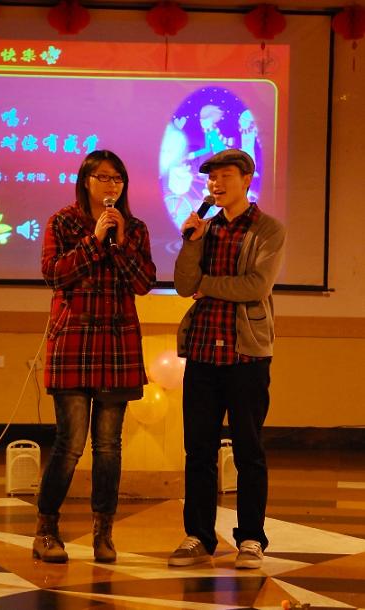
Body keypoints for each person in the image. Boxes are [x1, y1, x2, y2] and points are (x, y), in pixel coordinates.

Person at [33, 150, 156, 564]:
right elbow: (54, 274)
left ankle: (104, 533)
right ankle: (46, 529)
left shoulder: (133, 228)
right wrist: (94, 241)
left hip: (117, 347)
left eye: (118, 178)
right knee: (70, 443)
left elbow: (144, 282)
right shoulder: (62, 222)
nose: (111, 185)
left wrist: (118, 244)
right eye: (103, 177)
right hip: (73, 343)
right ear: (85, 181)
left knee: (108, 446)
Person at [169, 148, 286, 569]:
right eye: (211, 177)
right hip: (202, 352)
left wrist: (208, 284)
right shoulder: (205, 228)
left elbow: (255, 286)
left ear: (246, 179)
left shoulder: (268, 229)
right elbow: (185, 285)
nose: (215, 184)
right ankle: (198, 536)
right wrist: (191, 243)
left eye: (224, 176)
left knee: (248, 450)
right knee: (198, 450)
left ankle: (251, 538)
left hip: (246, 354)